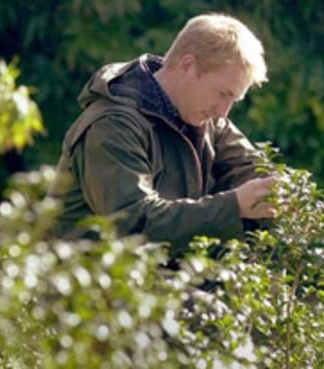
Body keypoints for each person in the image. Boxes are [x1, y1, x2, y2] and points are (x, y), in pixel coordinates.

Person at [48, 13, 276, 256]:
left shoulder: (205, 117)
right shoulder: (112, 125)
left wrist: (276, 196)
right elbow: (132, 224)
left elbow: (251, 169)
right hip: (88, 285)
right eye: (222, 93)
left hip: (157, 282)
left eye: (233, 99)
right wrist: (234, 206)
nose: (224, 111)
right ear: (187, 66)